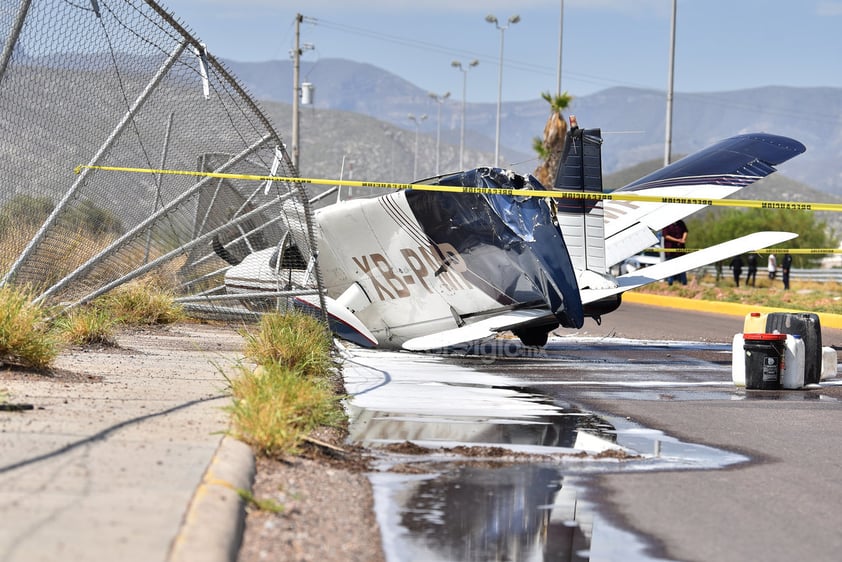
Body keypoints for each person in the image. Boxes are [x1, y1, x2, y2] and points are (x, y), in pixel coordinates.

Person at [662, 220, 688, 285]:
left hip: (680, 250)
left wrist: (683, 239)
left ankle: (683, 283)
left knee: (682, 267)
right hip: (670, 250)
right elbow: (666, 236)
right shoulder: (666, 224)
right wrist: (677, 240)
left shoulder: (680, 222)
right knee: (671, 267)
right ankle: (670, 283)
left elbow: (685, 231)